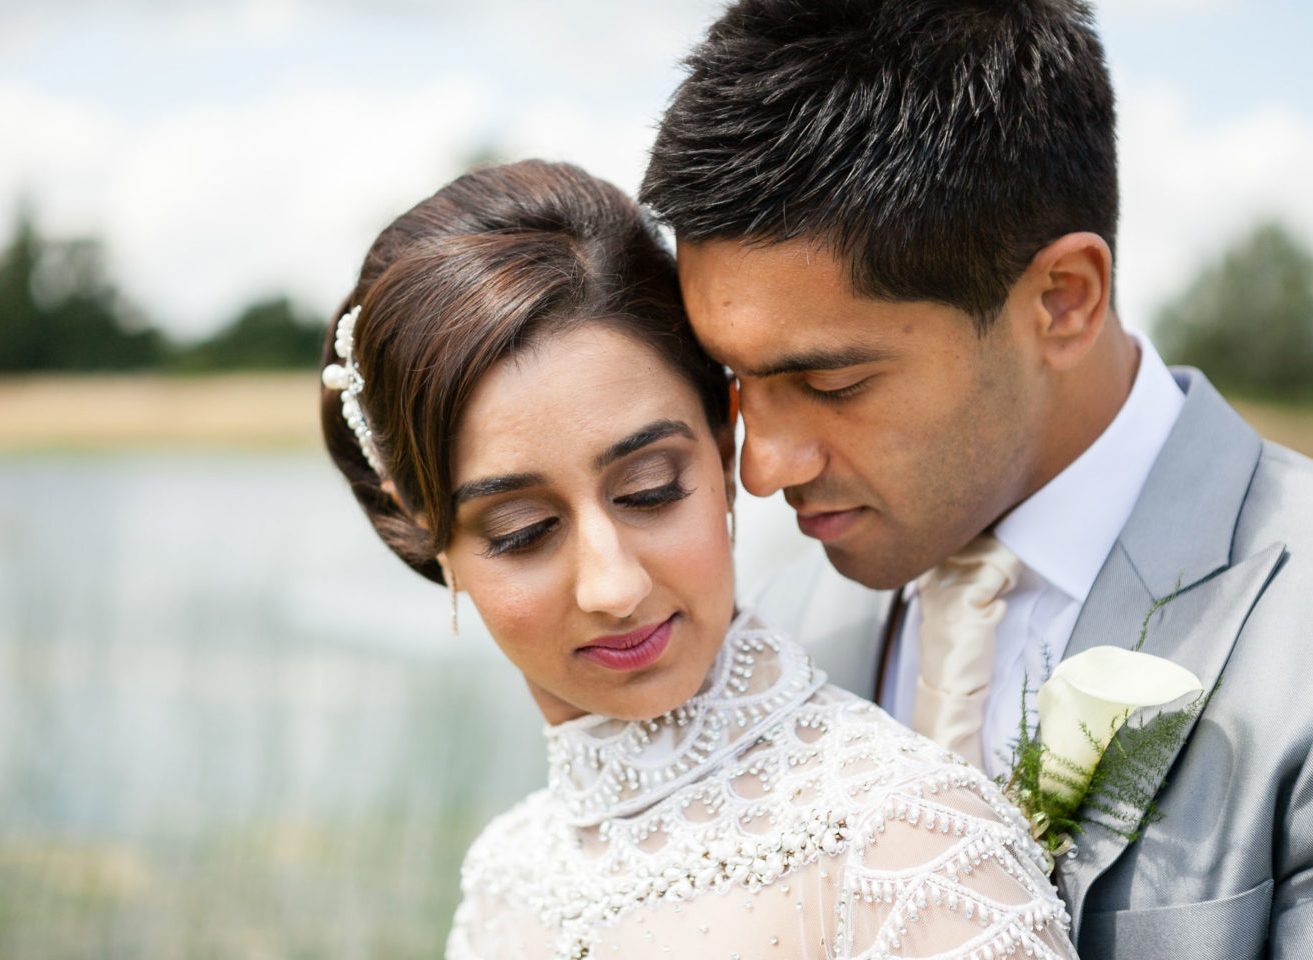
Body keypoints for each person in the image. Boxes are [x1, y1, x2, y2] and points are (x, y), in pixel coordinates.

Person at [639, 1, 1313, 957]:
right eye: (735, 383)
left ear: (1064, 300)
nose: (761, 468)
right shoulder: (768, 642)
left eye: (832, 384)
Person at [320, 159, 1075, 959]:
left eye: (648, 490)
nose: (614, 587)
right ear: (426, 530)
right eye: (522, 531)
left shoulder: (906, 840)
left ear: (723, 449)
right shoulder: (503, 882)